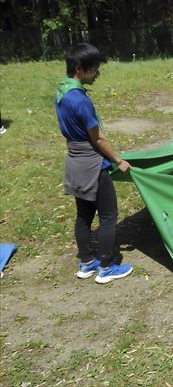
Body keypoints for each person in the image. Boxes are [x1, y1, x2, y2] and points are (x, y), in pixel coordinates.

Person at [55, 43, 133, 284]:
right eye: (94, 69)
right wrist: (118, 160)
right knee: (109, 216)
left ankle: (87, 263)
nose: (97, 73)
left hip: (74, 161)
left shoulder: (61, 92)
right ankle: (107, 267)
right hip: (92, 165)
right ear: (79, 69)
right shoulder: (81, 101)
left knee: (84, 216)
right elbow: (98, 138)